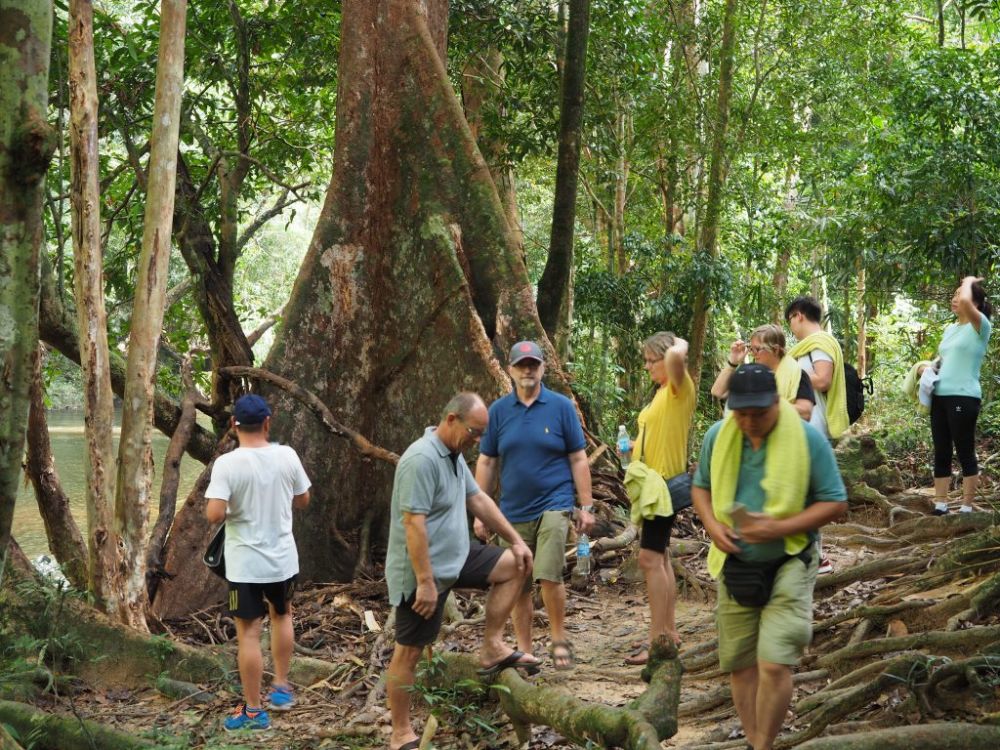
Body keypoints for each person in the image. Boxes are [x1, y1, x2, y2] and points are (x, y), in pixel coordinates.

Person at [691, 365, 847, 750]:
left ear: (776, 403)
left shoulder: (808, 440)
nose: (749, 422)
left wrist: (777, 528)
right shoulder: (719, 436)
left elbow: (835, 502)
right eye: (741, 413)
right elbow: (700, 488)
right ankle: (754, 740)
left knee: (775, 663)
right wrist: (712, 525)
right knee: (742, 665)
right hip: (737, 564)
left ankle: (763, 745)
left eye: (758, 413)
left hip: (790, 558)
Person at [385, 392, 539, 750]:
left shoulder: (453, 455)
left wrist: (515, 540)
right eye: (474, 432)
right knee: (408, 652)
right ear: (451, 419)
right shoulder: (421, 460)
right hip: (422, 570)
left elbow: (478, 499)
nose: (478, 441)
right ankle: (400, 733)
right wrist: (425, 583)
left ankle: (492, 647)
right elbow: (413, 525)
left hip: (457, 555)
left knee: (515, 565)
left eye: (482, 435)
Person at [474, 341, 595, 671]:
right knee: (518, 580)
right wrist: (480, 514)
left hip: (554, 504)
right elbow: (486, 462)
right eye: (521, 365)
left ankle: (559, 639)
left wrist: (586, 506)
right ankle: (525, 651)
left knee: (549, 574)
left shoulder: (560, 407)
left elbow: (578, 457)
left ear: (543, 368)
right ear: (510, 370)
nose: (528, 370)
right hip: (512, 511)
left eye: (534, 364)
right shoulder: (498, 411)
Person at [205, 394, 312, 732]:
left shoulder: (228, 464)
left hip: (245, 565)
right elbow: (304, 499)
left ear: (234, 426)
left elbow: (214, 514)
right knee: (282, 615)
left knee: (249, 633)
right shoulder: (287, 456)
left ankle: (253, 711)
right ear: (268, 423)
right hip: (282, 560)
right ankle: (281, 687)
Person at [624, 332, 696, 666]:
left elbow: (678, 359)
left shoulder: (680, 388)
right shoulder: (661, 395)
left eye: (652, 360)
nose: (647, 366)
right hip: (654, 486)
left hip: (663, 487)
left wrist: (678, 342)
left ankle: (658, 641)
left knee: (650, 560)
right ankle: (668, 633)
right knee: (661, 558)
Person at [785, 296, 848, 575]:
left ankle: (817, 556)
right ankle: (808, 552)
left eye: (790, 320)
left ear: (798, 315)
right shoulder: (808, 346)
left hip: (814, 423)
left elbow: (823, 379)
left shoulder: (820, 343)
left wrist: (788, 373)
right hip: (804, 422)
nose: (791, 327)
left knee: (807, 490)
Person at [930, 276, 992, 515]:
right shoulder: (951, 329)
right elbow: (945, 360)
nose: (955, 299)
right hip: (940, 395)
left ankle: (966, 507)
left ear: (973, 302)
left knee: (964, 449)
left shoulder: (980, 326)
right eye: (954, 295)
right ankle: (940, 503)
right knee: (941, 449)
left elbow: (966, 300)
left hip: (964, 396)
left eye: (960, 294)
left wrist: (967, 281)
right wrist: (928, 368)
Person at [711, 324, 815, 421]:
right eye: (751, 349)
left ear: (775, 350)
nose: (753, 354)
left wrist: (764, 405)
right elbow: (718, 392)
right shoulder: (752, 373)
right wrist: (733, 362)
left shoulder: (797, 374)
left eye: (757, 349)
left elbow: (805, 412)